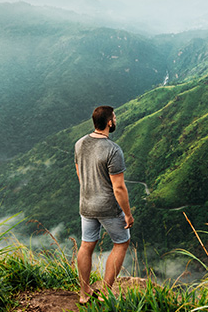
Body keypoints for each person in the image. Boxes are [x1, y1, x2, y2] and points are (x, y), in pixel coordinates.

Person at [74, 105, 134, 304]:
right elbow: (119, 188)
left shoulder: (80, 143)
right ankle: (106, 293)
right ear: (109, 122)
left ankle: (84, 294)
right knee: (121, 243)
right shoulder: (113, 150)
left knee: (86, 245)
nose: (115, 120)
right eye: (114, 117)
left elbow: (79, 174)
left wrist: (89, 191)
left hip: (86, 205)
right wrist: (128, 213)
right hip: (108, 207)